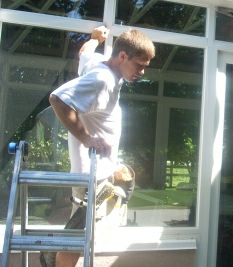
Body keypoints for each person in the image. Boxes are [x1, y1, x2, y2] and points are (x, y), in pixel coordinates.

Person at [46, 26, 155, 267]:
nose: (142, 71)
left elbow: (85, 52)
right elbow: (58, 99)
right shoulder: (102, 79)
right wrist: (86, 138)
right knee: (76, 240)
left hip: (99, 174)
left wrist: (95, 39)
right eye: (139, 65)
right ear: (123, 56)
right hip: (90, 179)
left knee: (84, 236)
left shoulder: (98, 64)